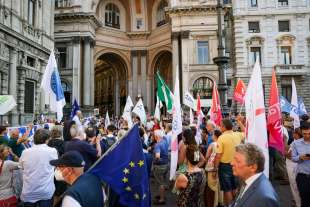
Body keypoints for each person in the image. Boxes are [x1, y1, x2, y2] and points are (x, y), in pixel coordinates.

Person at [19, 129, 58, 207]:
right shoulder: (52, 151)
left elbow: (21, 167)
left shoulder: (25, 152)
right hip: (46, 192)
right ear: (47, 139)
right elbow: (55, 166)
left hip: (29, 192)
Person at [214, 119, 245, 205]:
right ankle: (235, 204)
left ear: (224, 127)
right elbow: (245, 131)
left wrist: (215, 168)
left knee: (227, 189)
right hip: (236, 165)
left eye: (221, 125)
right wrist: (239, 121)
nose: (220, 127)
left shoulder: (221, 138)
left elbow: (218, 156)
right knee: (234, 187)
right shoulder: (237, 135)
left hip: (225, 166)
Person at [291, 123, 310, 207]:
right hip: (302, 176)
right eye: (304, 133)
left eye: (309, 133)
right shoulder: (296, 143)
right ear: (301, 132)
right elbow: (293, 158)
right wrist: (300, 157)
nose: (307, 136)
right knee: (304, 200)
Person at [205, 129, 223, 207]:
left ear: (215, 136)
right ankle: (220, 201)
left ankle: (213, 204)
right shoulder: (221, 143)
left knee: (211, 186)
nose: (212, 136)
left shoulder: (212, 144)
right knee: (219, 185)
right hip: (220, 166)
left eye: (213, 134)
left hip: (212, 167)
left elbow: (207, 156)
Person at [153, 129, 169, 205]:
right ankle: (161, 195)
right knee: (163, 181)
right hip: (166, 164)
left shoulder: (158, 145)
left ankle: (162, 199)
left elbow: (157, 156)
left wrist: (156, 160)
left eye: (154, 135)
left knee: (160, 183)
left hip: (160, 166)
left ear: (156, 136)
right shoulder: (165, 141)